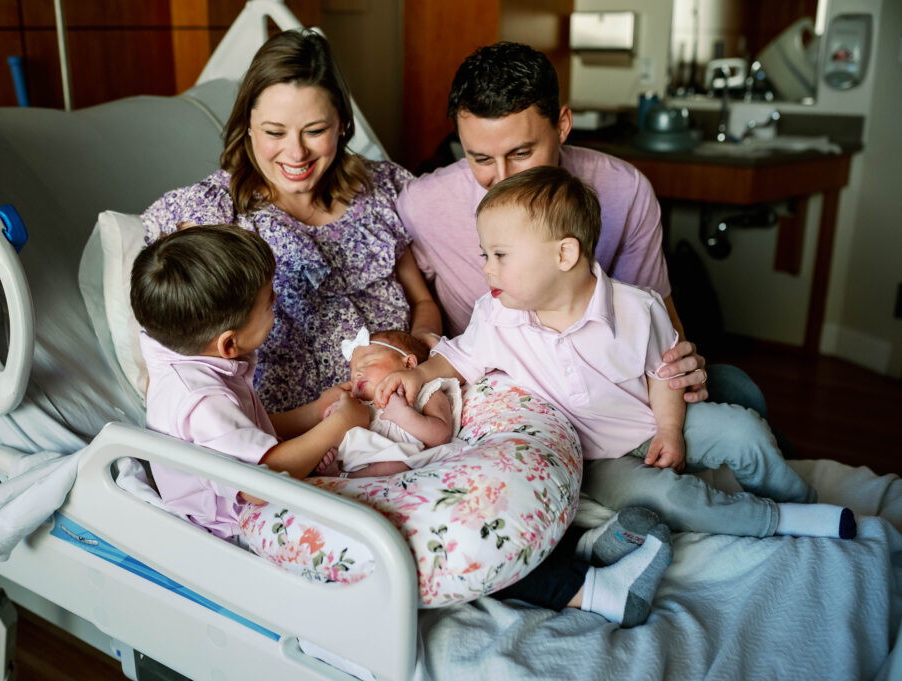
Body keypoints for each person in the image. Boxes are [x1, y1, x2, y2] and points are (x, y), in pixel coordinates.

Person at [378, 166, 857, 541]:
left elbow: (665, 373)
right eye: (484, 254)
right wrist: (419, 376)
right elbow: (458, 360)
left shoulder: (636, 308)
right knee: (667, 499)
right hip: (592, 460)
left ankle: (798, 498)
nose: (486, 269)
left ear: (565, 255)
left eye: (500, 255)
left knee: (745, 430)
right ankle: (772, 520)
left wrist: (670, 431)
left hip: (650, 419)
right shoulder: (497, 314)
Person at [395, 41, 768, 412]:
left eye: (522, 153)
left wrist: (683, 372)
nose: (503, 177)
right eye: (480, 158)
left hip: (608, 386)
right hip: (511, 397)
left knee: (739, 389)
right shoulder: (422, 205)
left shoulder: (625, 189)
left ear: (562, 125)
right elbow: (413, 298)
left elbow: (658, 320)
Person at [141, 29, 441, 413]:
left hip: (401, 408)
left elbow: (421, 300)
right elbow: (180, 344)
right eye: (274, 132)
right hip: (286, 432)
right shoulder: (216, 213)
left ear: (342, 125)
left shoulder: (379, 192)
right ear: (248, 125)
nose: (296, 152)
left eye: (315, 131)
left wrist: (417, 356)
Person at [130, 225, 370, 542]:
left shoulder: (184, 356)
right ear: (229, 345)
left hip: (250, 499)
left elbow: (243, 432)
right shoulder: (203, 400)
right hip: (235, 530)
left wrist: (315, 412)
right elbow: (261, 484)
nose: (276, 301)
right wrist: (337, 425)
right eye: (269, 303)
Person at [314, 327, 463, 478]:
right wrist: (334, 413)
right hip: (359, 461)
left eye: (367, 363)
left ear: (409, 364)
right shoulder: (357, 406)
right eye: (352, 374)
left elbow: (440, 436)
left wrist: (403, 414)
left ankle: (345, 477)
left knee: (398, 465)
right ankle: (338, 473)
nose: (356, 374)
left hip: (406, 461)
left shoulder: (425, 390)